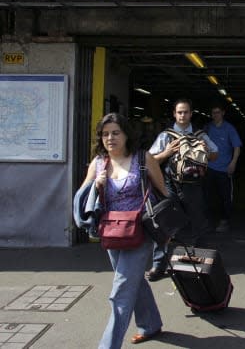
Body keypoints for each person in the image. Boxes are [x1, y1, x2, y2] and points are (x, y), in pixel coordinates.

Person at [81, 113, 168, 348]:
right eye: (105, 133)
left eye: (116, 132)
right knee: (134, 281)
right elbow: (81, 200)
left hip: (140, 235)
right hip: (111, 234)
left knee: (121, 291)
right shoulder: (98, 163)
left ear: (127, 134)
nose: (110, 138)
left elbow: (164, 193)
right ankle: (150, 324)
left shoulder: (143, 159)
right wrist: (95, 185)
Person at [146, 99, 218, 281]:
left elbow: (215, 155)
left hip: (194, 186)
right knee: (165, 224)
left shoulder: (201, 135)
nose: (183, 115)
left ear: (191, 114)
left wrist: (205, 151)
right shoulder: (165, 136)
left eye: (186, 112)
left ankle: (200, 262)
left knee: (199, 224)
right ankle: (158, 266)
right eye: (179, 112)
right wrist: (166, 152)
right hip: (169, 185)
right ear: (174, 114)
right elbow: (150, 161)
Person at [203, 102, 242, 232]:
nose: (215, 115)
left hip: (224, 169)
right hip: (209, 168)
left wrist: (233, 162)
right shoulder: (207, 128)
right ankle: (207, 222)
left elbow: (237, 147)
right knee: (207, 196)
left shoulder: (229, 128)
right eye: (213, 113)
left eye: (218, 112)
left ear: (223, 113)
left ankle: (224, 221)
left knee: (224, 197)